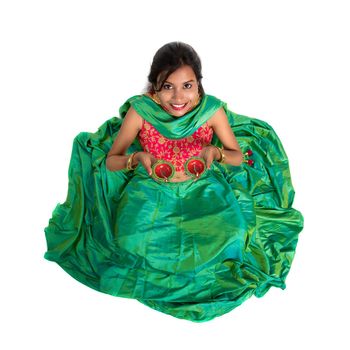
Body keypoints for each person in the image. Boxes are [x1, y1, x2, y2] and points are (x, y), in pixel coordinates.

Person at [44, 42, 304, 323]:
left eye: (188, 86)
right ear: (155, 87)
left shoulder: (211, 110)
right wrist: (137, 158)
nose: (179, 96)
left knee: (232, 236)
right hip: (151, 191)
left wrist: (215, 153)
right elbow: (112, 160)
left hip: (204, 190)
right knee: (128, 241)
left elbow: (236, 157)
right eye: (168, 86)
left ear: (199, 86)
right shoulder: (141, 111)